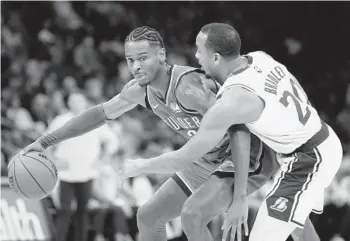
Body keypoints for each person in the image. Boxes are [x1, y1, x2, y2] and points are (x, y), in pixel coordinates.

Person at [20, 26, 317, 241]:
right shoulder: (139, 92)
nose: (135, 66)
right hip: (206, 158)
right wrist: (44, 141)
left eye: (143, 58)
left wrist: (240, 196)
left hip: (248, 155)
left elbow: (240, 130)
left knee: (193, 216)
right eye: (130, 60)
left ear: (161, 55)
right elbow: (98, 114)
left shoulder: (190, 86)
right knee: (148, 216)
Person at [120, 23, 342, 241]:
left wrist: (141, 165)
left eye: (199, 51)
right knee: (297, 224)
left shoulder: (232, 100)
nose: (196, 57)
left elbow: (183, 157)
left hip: (308, 157)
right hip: (313, 139)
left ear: (216, 58)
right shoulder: (260, 58)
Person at [46, 92, 118, 241]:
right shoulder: (60, 120)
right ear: (68, 103)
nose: (76, 103)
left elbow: (112, 141)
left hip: (87, 173)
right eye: (73, 100)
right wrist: (53, 160)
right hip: (66, 174)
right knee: (64, 210)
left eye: (79, 100)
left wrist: (103, 159)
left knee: (83, 211)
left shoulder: (95, 119)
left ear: (85, 102)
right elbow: (46, 142)